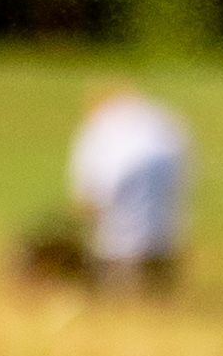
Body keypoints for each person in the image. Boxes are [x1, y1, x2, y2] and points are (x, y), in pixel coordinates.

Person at [66, 83, 192, 289]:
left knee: (119, 244)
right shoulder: (160, 120)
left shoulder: (99, 129)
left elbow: (95, 186)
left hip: (118, 244)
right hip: (163, 237)